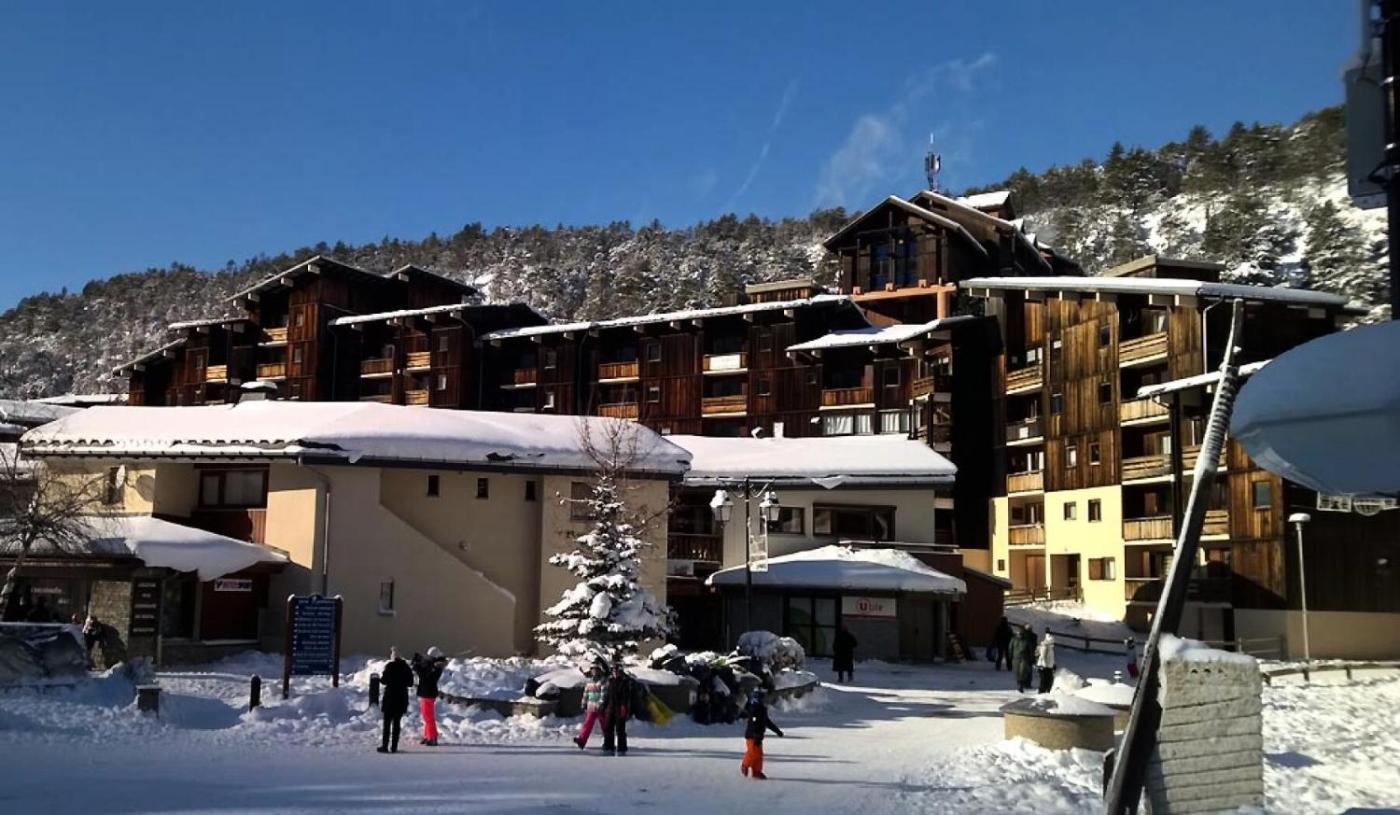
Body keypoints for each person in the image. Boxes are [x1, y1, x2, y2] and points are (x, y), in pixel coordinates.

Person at [739, 688, 784, 780]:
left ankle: (756, 771)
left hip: (758, 736)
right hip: (752, 736)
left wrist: (777, 731)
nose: (764, 701)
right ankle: (745, 765)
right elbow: (753, 722)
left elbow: (767, 721)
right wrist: (755, 734)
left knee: (759, 755)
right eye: (762, 699)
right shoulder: (754, 709)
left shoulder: (762, 709)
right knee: (752, 753)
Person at [377, 647, 414, 754]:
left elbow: (383, 681)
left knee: (387, 724)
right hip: (401, 698)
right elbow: (410, 683)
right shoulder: (406, 668)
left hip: (390, 698)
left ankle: (385, 746)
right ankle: (394, 747)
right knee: (397, 724)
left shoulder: (389, 667)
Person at [412, 646, 447, 747]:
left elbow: (425, 676)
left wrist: (418, 667)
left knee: (428, 717)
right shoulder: (433, 665)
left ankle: (432, 737)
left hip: (428, 693)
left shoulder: (435, 667)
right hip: (426, 692)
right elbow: (424, 671)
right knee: (426, 716)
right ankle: (428, 735)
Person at [600, 662, 635, 756]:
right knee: (608, 728)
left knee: (620, 730)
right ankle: (608, 747)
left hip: (620, 708)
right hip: (610, 708)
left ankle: (621, 748)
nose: (615, 673)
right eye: (614, 671)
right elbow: (607, 695)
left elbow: (626, 697)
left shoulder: (624, 682)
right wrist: (603, 706)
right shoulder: (610, 681)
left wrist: (625, 707)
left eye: (617, 671)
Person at [574, 663, 607, 748]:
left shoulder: (602, 681)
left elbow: (604, 694)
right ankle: (582, 740)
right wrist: (584, 703)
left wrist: (601, 703)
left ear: (599, 671)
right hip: (591, 706)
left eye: (596, 670)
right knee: (587, 723)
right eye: (593, 670)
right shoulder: (590, 682)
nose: (594, 671)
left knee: (604, 725)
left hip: (600, 707)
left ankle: (608, 741)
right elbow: (586, 693)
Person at [1011, 624, 1037, 693]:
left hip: (1020, 656)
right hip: (1027, 656)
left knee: (1020, 671)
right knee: (1027, 670)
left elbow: (1011, 648)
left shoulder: (1018, 637)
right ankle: (1026, 683)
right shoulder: (1032, 636)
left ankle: (1021, 683)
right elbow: (1033, 647)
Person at [1035, 628, 1056, 694]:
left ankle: (1046, 690)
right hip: (1044, 666)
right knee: (1044, 679)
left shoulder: (1050, 648)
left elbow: (1051, 657)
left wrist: (1053, 664)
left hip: (1048, 665)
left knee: (1048, 679)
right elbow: (1043, 657)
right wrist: (1044, 665)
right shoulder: (1045, 647)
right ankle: (1042, 691)